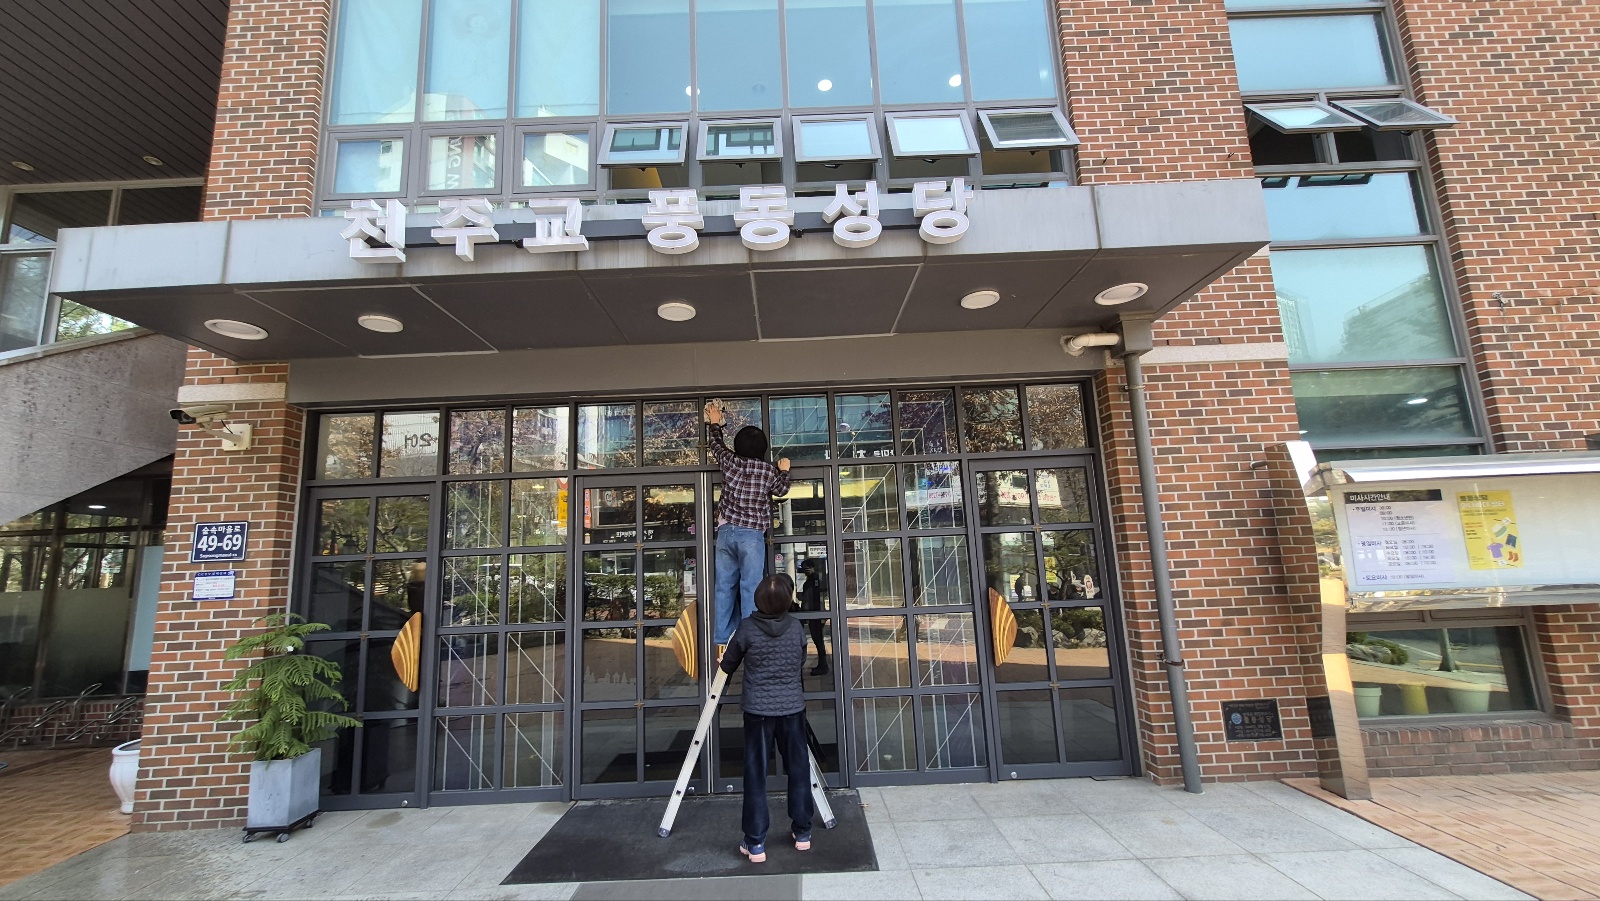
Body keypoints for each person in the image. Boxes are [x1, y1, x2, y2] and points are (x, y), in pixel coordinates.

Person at [720, 575, 812, 864]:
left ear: (757, 599)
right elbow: (800, 660)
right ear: (787, 600)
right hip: (792, 708)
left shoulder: (747, 628)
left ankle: (756, 842)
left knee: (756, 774)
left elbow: (728, 664)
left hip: (758, 711)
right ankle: (803, 832)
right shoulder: (796, 627)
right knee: (798, 769)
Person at [705, 401, 791, 648]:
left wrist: (715, 422)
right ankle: (748, 636)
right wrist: (784, 471)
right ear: (763, 449)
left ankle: (722, 636)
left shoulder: (729, 461)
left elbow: (715, 445)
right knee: (750, 586)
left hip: (726, 531)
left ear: (738, 447)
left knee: (724, 586)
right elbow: (781, 490)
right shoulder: (768, 471)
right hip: (751, 535)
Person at [797, 557, 829, 675]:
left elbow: (815, 599)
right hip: (813, 614)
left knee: (818, 641)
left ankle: (823, 665)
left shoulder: (815, 581)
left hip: (816, 614)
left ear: (812, 568)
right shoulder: (810, 581)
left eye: (808, 568)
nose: (806, 570)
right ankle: (822, 665)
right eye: (804, 569)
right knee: (817, 641)